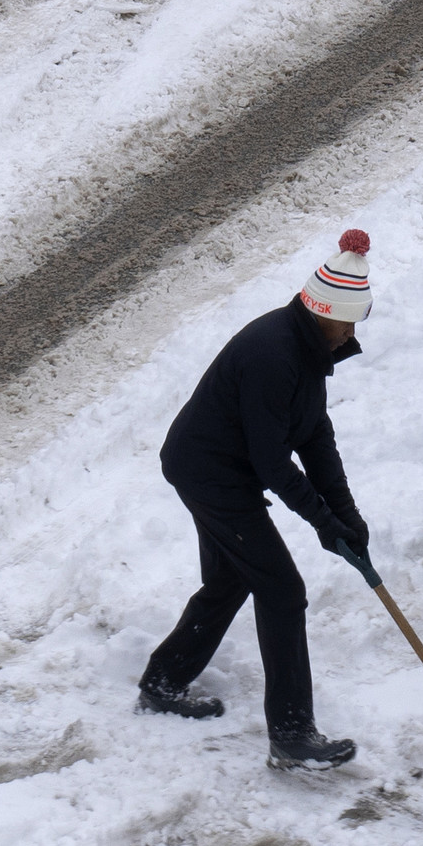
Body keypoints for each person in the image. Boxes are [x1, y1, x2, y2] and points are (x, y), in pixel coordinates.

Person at [140, 229, 375, 770]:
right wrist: (322, 523)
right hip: (210, 474)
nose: (351, 333)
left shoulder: (307, 345)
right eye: (348, 321)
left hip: (224, 468)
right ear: (326, 311)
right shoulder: (276, 354)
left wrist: (346, 516)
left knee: (230, 579)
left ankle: (163, 680)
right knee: (282, 590)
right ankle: (291, 732)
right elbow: (272, 464)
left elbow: (315, 435)